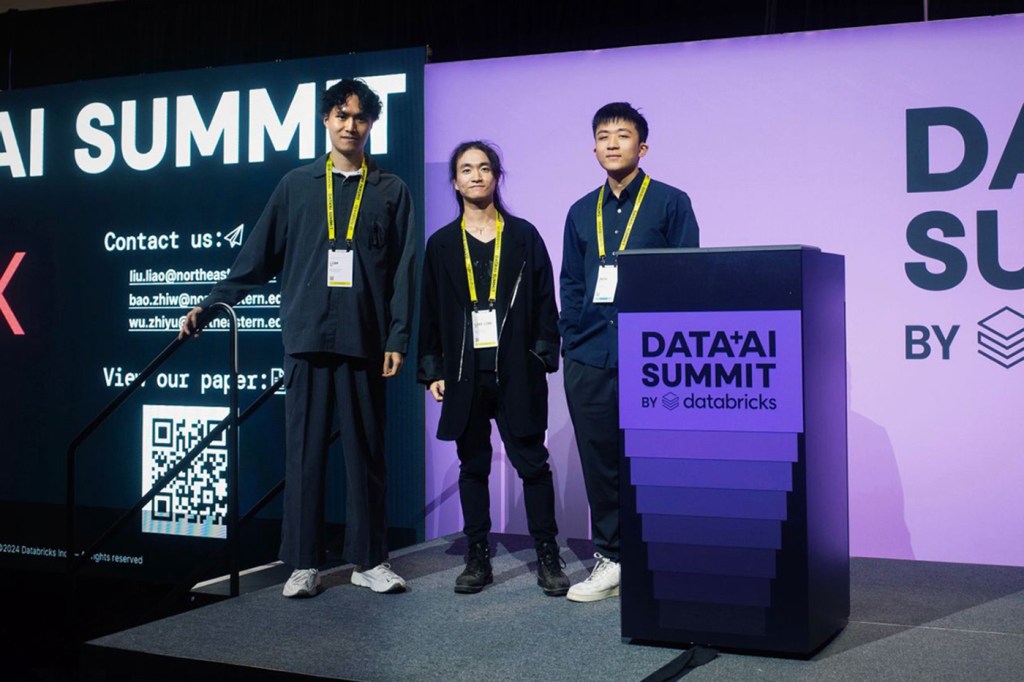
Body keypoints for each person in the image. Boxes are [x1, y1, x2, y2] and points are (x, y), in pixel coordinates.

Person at [179, 79, 416, 598]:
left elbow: (403, 272)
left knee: (367, 454)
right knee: (304, 454)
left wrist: (398, 336)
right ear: (326, 121)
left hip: (366, 340)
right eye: (341, 115)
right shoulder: (297, 185)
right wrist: (213, 304)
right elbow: (257, 257)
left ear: (372, 124)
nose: (350, 125)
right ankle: (303, 563)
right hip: (307, 335)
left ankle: (369, 560)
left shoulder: (391, 190)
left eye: (360, 117)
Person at [559, 102, 699, 602]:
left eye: (622, 134)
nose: (612, 143)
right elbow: (572, 283)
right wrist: (571, 341)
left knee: (656, 458)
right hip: (590, 355)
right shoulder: (580, 211)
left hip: (653, 359)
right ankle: (612, 557)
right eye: (603, 135)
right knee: (602, 461)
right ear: (593, 147)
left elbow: (686, 280)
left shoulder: (670, 203)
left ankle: (662, 556)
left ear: (642, 146)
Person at [418, 141, 569, 596]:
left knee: (533, 464)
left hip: (517, 371)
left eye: (484, 168)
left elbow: (546, 301)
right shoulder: (442, 244)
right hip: (465, 373)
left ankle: (548, 553)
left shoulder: (523, 235)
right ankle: (477, 554)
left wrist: (541, 356)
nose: (476, 176)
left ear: (497, 176)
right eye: (467, 169)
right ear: (455, 181)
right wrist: (433, 369)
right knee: (472, 466)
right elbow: (428, 311)